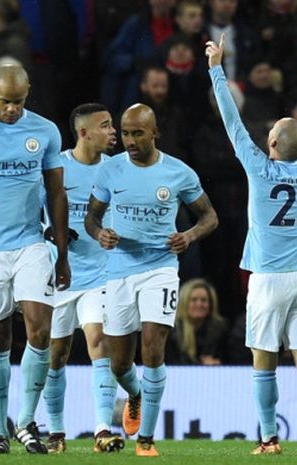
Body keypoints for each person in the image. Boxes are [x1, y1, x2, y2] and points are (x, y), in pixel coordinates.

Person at [206, 35, 297, 455]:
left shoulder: (258, 167)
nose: (266, 133)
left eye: (271, 131)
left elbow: (231, 122)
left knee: (264, 363)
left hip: (268, 278)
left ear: (272, 145)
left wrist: (216, 69)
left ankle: (269, 439)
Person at [85, 103, 218, 457]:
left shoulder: (178, 173)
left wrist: (188, 236)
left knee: (153, 348)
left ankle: (145, 439)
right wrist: (100, 235)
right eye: (125, 133)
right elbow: (91, 219)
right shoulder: (110, 171)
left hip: (160, 269)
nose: (129, 140)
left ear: (154, 133)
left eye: (137, 133)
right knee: (119, 364)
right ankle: (136, 394)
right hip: (119, 271)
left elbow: (209, 217)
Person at [0, 64, 69, 454]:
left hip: (30, 243)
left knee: (40, 328)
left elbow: (56, 194)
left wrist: (61, 254)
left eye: (19, 102)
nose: (12, 109)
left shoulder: (44, 131)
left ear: (28, 93)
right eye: (5, 101)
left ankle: (26, 421)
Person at [42, 103, 123, 454]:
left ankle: (103, 428)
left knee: (98, 342)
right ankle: (57, 431)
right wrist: (47, 231)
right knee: (56, 354)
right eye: (105, 126)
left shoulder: (117, 170)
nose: (113, 131)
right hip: (60, 273)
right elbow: (33, 207)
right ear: (84, 132)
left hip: (101, 273)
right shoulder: (56, 166)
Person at [168, 278, 228, 365]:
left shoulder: (221, 330)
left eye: (204, 300)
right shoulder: (171, 331)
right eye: (194, 300)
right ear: (184, 303)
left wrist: (218, 363)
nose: (199, 304)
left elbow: (230, 361)